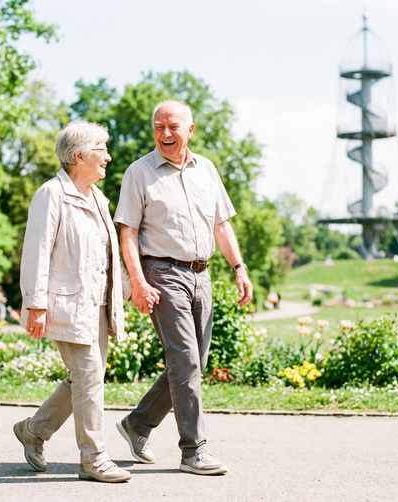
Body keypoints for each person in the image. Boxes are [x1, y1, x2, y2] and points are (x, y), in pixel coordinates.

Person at [113, 100, 253, 476]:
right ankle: (194, 451)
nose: (165, 134)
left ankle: (137, 424)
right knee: (186, 362)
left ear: (190, 130)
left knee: (194, 362)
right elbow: (127, 232)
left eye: (173, 126)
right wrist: (138, 282)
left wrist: (239, 268)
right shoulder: (138, 173)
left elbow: (221, 225)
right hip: (161, 273)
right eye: (159, 127)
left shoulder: (205, 169)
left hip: (201, 275)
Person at [13, 121, 131, 483]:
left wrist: (130, 290)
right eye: (102, 149)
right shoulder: (52, 194)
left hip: (97, 305)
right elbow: (36, 251)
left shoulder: (97, 198)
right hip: (66, 304)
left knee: (83, 379)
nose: (108, 157)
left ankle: (33, 430)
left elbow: (107, 257)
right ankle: (93, 459)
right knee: (89, 376)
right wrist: (35, 305)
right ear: (79, 156)